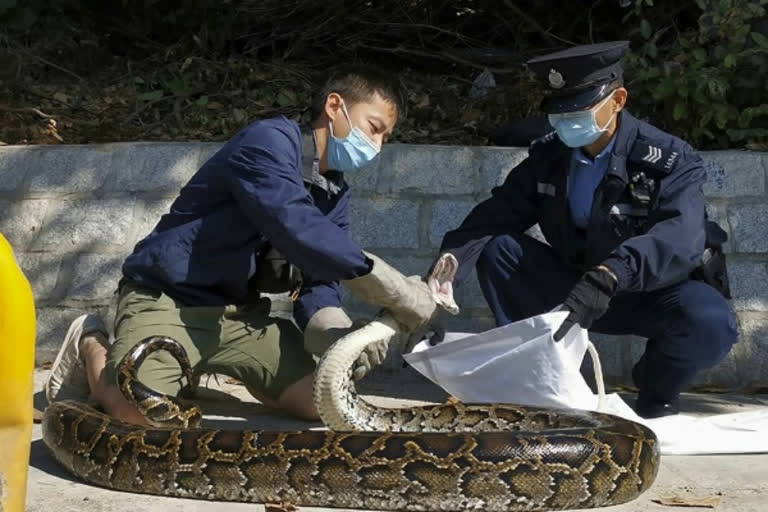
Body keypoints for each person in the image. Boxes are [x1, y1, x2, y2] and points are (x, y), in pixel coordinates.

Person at [45, 66, 438, 423]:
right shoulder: (267, 142)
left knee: (327, 404)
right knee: (140, 416)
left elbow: (320, 280)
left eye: (386, 136)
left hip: (240, 316)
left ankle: (231, 368)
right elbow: (294, 225)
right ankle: (90, 343)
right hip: (170, 301)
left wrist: (338, 336)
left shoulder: (335, 193)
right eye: (374, 127)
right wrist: (395, 288)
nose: (378, 145)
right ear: (335, 106)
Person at [435, 41, 738, 419]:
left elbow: (680, 237)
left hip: (649, 292)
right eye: (559, 113)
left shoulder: (668, 159)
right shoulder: (550, 157)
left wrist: (612, 273)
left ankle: (656, 387)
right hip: (574, 292)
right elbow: (495, 215)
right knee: (498, 249)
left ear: (619, 100)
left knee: (710, 322)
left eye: (580, 111)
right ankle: (550, 384)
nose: (567, 122)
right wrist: (445, 271)